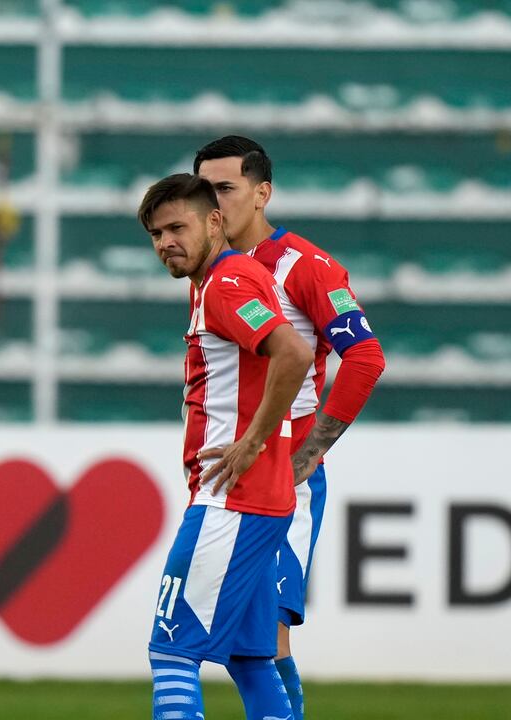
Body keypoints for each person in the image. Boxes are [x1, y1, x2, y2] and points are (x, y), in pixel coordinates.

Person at [195, 136, 387, 719]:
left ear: (262, 192)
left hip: (284, 478)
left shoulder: (305, 265)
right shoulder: (211, 269)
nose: (215, 204)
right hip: (232, 477)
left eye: (226, 189)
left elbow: (365, 357)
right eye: (205, 191)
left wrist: (308, 456)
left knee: (264, 639)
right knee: (241, 642)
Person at [139, 174, 313, 720]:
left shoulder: (226, 282)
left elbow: (293, 353)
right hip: (259, 501)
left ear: (214, 222)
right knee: (250, 657)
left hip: (233, 500)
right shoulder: (227, 278)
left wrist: (252, 440)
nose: (165, 241)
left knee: (171, 650)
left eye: (176, 227)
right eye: (155, 233)